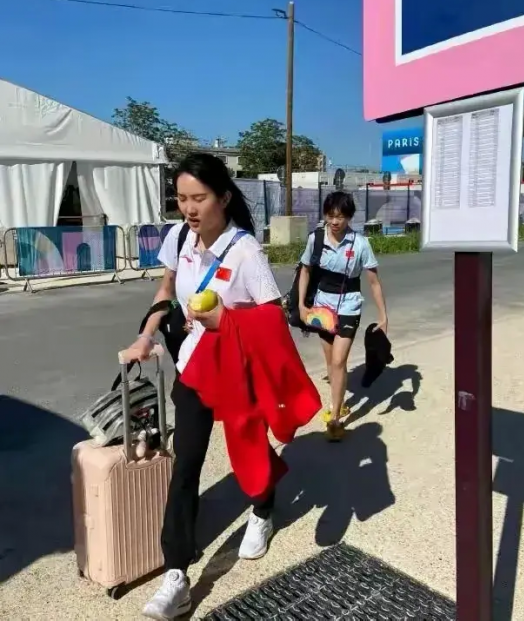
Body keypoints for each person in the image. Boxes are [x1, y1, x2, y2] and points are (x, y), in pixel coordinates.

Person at [123, 152, 283, 621]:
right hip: (193, 369)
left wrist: (224, 320)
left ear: (224, 198)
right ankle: (176, 576)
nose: (189, 209)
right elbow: (166, 290)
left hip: (236, 370)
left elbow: (273, 318)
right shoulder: (178, 237)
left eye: (199, 198)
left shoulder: (246, 251)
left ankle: (263, 509)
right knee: (186, 465)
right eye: (181, 198)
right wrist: (146, 335)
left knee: (249, 447)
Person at [297, 191, 388, 441]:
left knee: (338, 361)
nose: (335, 222)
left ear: (349, 217)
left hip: (349, 306)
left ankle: (335, 419)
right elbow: (305, 271)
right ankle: (339, 402)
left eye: (340, 217)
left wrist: (383, 316)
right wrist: (302, 306)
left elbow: (374, 282)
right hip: (322, 308)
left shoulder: (360, 244)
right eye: (331, 216)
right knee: (331, 362)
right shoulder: (315, 239)